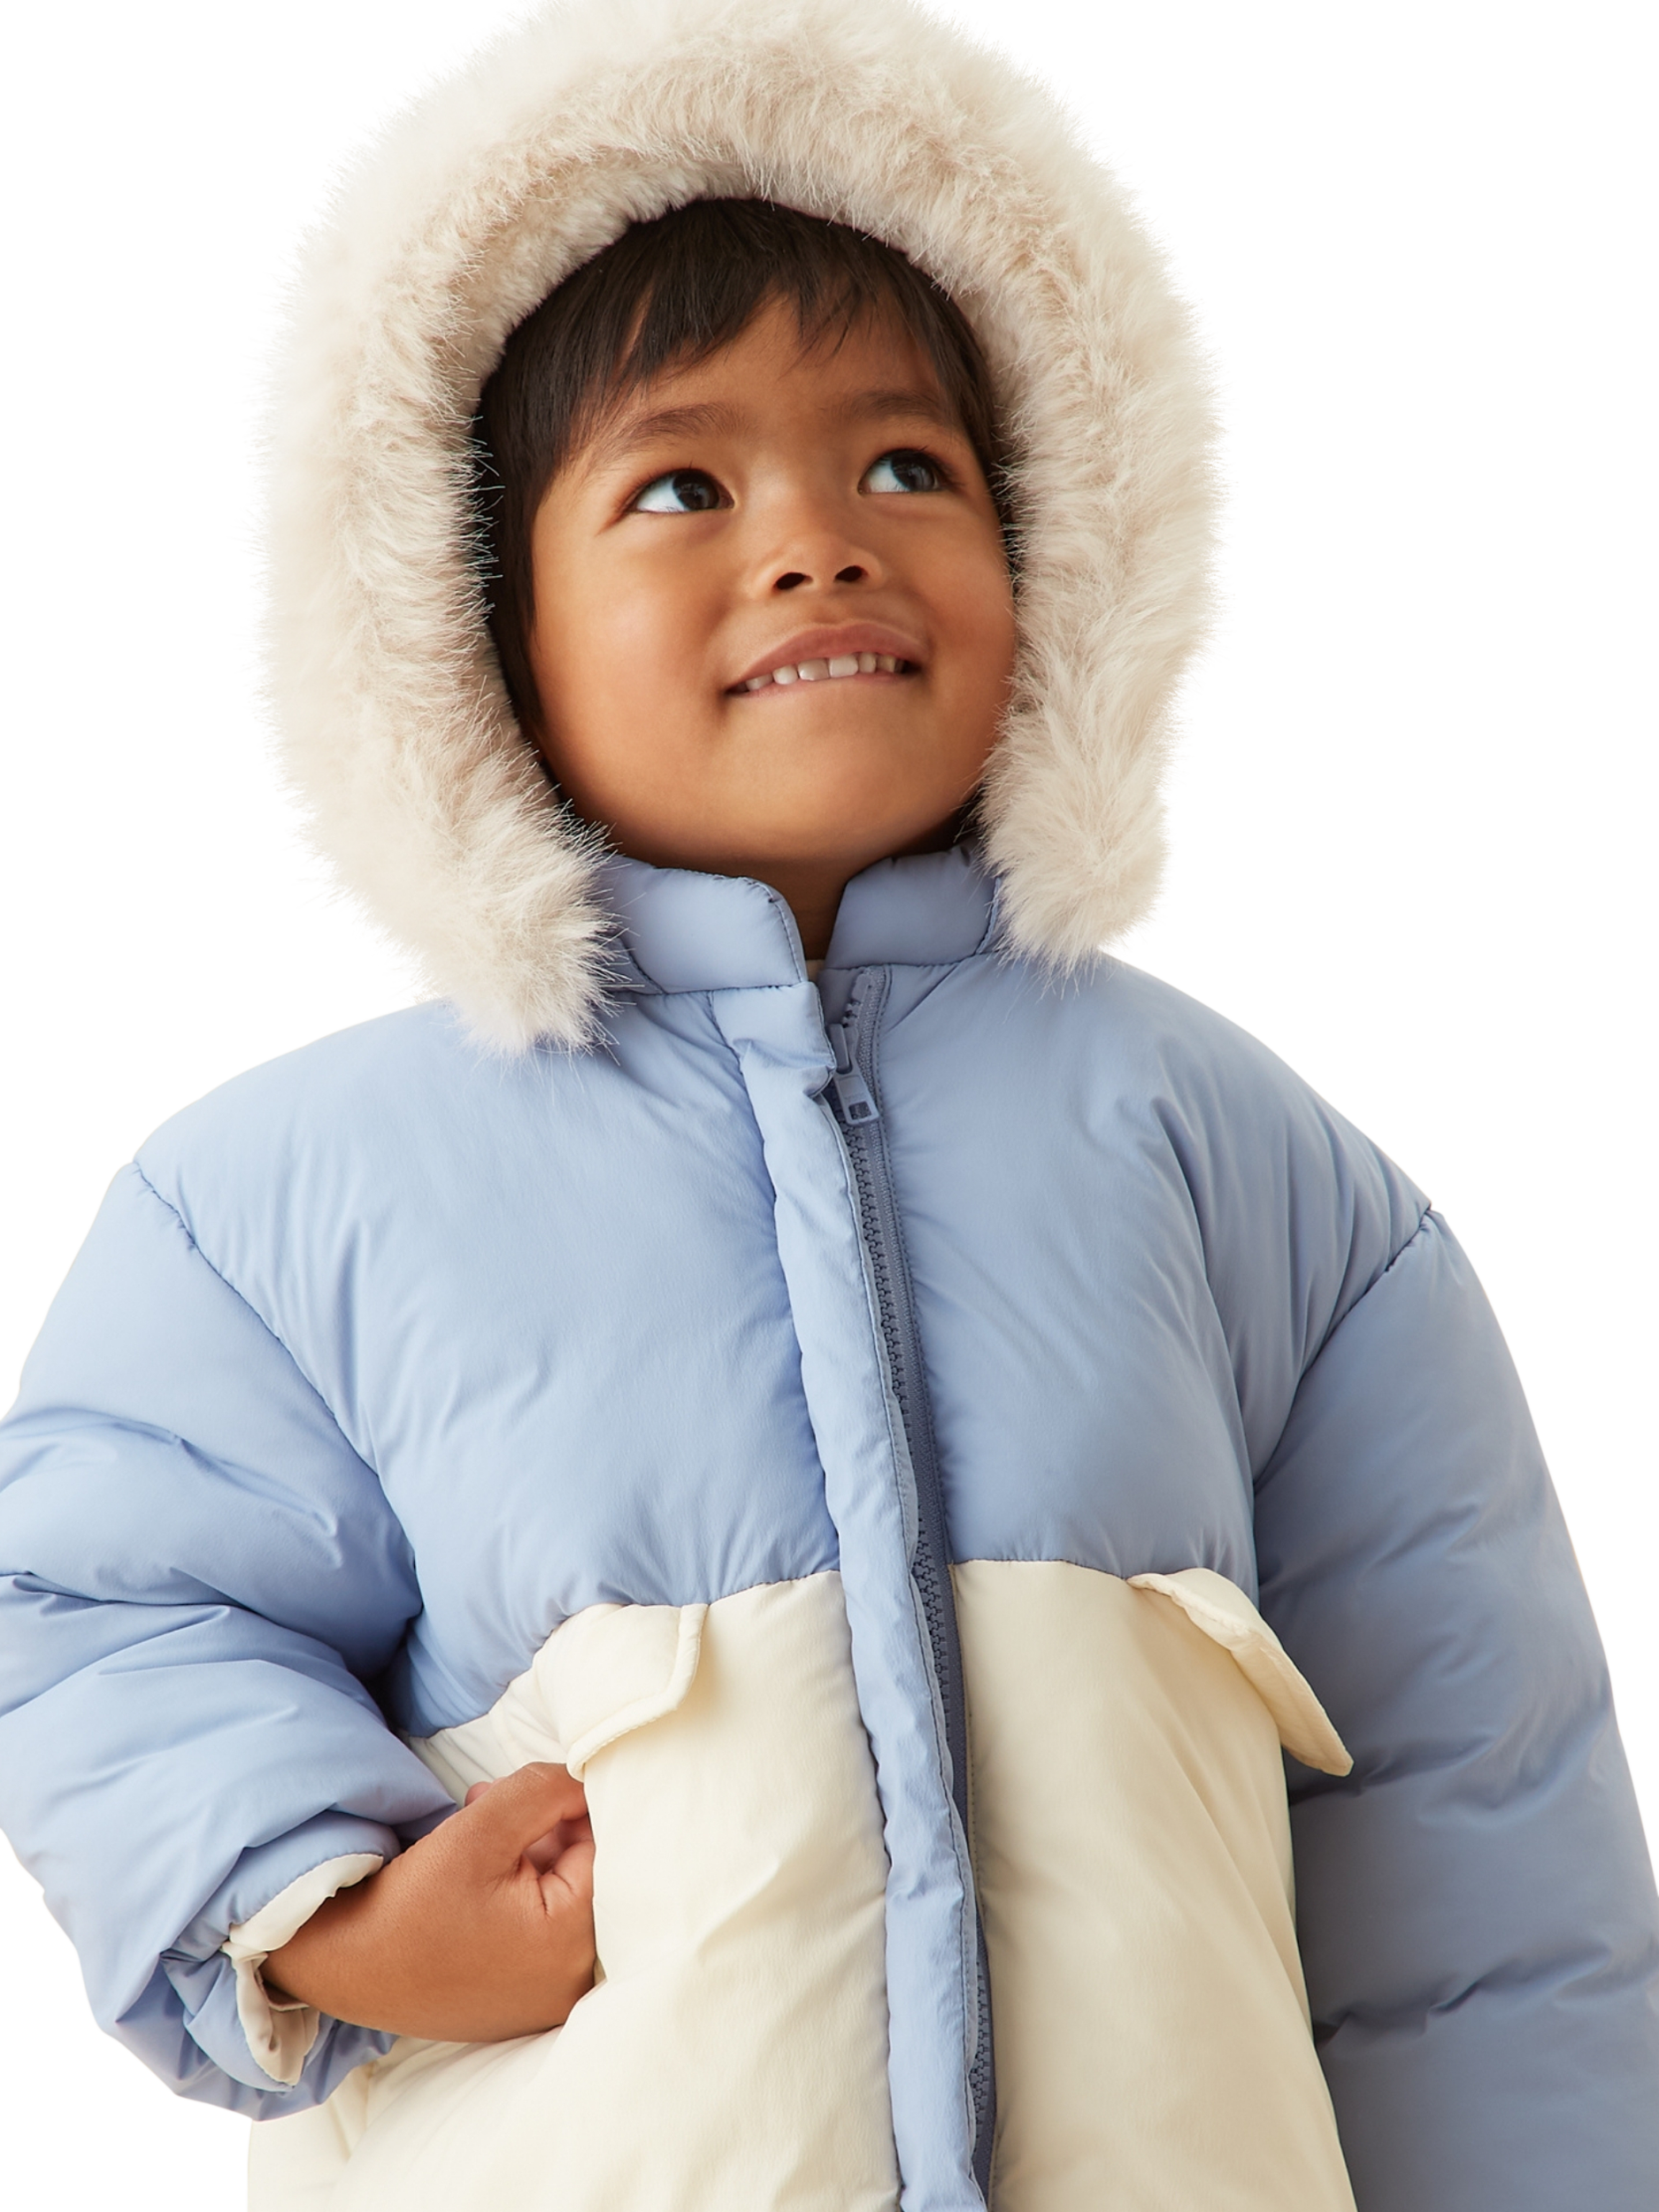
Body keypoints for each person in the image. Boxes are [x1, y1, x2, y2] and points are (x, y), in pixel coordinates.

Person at [1, 1, 1655, 2207]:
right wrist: (331, 1906)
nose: (817, 542)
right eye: (680, 485)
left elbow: (1483, 1857)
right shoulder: (282, 1205)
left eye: (904, 467)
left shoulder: (1254, 1174)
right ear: (472, 617)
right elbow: (98, 1608)